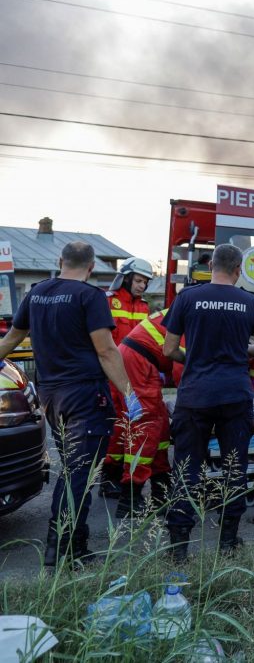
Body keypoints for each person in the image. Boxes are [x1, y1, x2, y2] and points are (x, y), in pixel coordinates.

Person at [0, 241, 141, 566]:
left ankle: (75, 546)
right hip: (85, 396)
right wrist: (131, 396)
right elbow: (106, 351)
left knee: (74, 470)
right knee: (79, 474)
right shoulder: (90, 297)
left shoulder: (35, 293)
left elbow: (10, 339)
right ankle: (60, 550)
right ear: (91, 268)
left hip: (51, 396)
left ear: (61, 261)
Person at [161, 244, 254, 562]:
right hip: (234, 395)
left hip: (195, 395)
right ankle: (227, 542)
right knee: (234, 467)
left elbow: (169, 350)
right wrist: (242, 350)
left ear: (211, 265)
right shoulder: (249, 301)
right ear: (239, 269)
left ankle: (179, 549)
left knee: (186, 469)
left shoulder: (187, 298)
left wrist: (193, 357)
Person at [111, 308, 184, 519]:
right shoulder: (194, 313)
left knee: (159, 428)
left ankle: (161, 489)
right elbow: (181, 366)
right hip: (139, 362)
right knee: (145, 426)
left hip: (138, 359)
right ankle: (130, 497)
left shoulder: (190, 306)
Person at [100, 256, 154, 496]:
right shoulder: (107, 302)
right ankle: (108, 478)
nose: (142, 286)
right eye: (139, 280)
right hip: (110, 374)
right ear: (127, 277)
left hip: (136, 375)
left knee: (134, 425)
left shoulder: (144, 308)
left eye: (145, 282)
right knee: (115, 426)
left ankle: (124, 473)